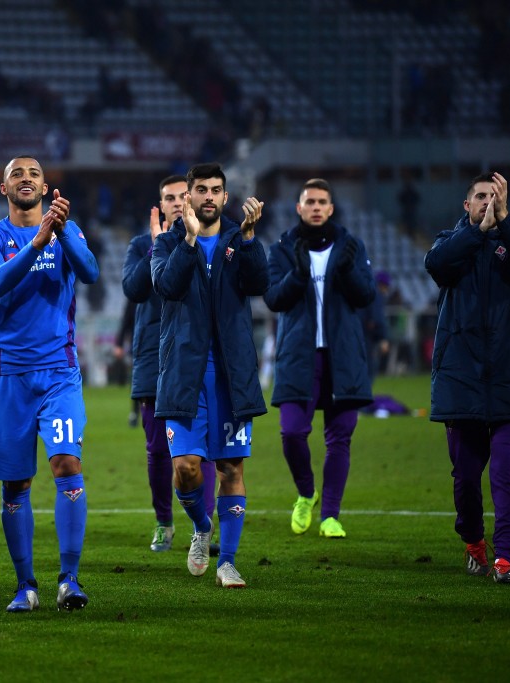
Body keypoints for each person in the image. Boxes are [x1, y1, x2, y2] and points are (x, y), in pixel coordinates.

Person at [0, 155, 99, 612]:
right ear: (3, 188)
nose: (26, 179)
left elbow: (90, 272)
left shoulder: (69, 230)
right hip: (10, 378)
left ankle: (69, 579)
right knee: (15, 484)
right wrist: (37, 241)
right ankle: (26, 585)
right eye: (16, 174)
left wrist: (59, 233)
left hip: (58, 373)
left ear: (45, 188)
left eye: (34, 174)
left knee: (66, 464)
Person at [424, 172, 510, 584]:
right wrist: (478, 232)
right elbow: (436, 266)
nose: (487, 202)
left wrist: (506, 220)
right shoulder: (451, 243)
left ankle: (506, 557)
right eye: (480, 196)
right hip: (462, 382)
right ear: (466, 205)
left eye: (494, 196)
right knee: (465, 478)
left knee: (507, 473)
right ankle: (474, 541)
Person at [151, 163, 268, 588]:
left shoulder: (240, 238)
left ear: (224, 196)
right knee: (185, 468)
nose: (209, 197)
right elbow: (166, 285)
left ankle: (229, 562)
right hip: (184, 374)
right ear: (189, 197)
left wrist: (252, 240)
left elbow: (261, 283)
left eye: (216, 190)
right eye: (201, 190)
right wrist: (187, 239)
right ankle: (202, 527)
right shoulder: (167, 243)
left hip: (231, 376)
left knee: (231, 469)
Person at [263, 178, 376, 540]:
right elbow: (274, 299)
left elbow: (366, 296)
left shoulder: (351, 247)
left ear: (330, 208)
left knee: (339, 439)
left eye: (321, 201)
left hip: (343, 357)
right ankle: (306, 492)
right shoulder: (282, 249)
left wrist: (344, 270)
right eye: (309, 201)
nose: (315, 207)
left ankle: (330, 515)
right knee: (292, 432)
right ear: (299, 207)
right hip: (298, 357)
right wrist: (298, 274)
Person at [122, 174, 218, 553]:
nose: (178, 202)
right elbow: (132, 289)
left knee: (201, 448)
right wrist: (158, 245)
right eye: (169, 197)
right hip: (153, 359)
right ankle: (164, 521)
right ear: (160, 206)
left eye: (183, 195)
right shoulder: (141, 244)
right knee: (158, 450)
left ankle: (204, 525)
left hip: (194, 355)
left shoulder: (207, 242)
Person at [360, 270, 392, 383]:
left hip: (355, 335)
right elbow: (377, 318)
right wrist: (382, 338)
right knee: (369, 370)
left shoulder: (365, 291)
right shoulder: (376, 294)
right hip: (367, 337)